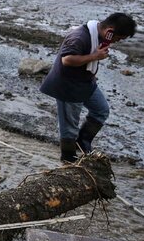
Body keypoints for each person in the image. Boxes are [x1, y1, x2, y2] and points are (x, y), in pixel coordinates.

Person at [39, 13, 137, 163]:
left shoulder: (99, 36)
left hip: (85, 81)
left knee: (101, 110)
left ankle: (83, 141)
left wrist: (93, 62)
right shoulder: (79, 37)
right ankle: (68, 158)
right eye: (118, 38)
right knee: (69, 126)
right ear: (109, 30)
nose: (116, 41)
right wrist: (94, 56)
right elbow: (67, 59)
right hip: (68, 85)